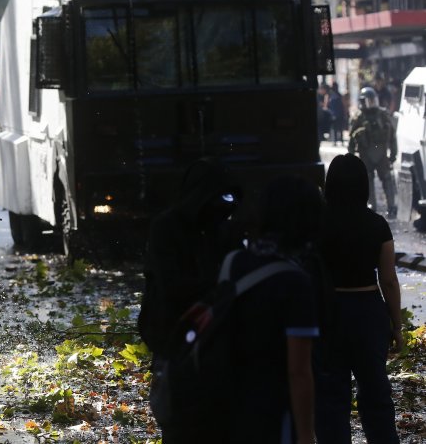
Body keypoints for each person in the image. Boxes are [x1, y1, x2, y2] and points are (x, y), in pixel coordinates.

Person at [138, 157, 242, 442]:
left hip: (215, 340)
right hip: (174, 336)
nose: (224, 207)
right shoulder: (167, 228)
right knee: (180, 422)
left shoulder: (223, 229)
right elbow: (170, 284)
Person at [227, 176, 321, 444]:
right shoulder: (296, 282)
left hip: (229, 406)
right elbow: (298, 370)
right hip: (272, 412)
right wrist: (306, 435)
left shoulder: (233, 263)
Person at [316, 154, 403, 444]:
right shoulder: (377, 225)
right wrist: (397, 325)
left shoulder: (317, 224)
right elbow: (388, 280)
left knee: (331, 395)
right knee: (375, 390)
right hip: (368, 311)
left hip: (329, 314)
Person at [348, 87, 398, 218]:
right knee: (368, 181)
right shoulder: (358, 117)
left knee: (387, 179)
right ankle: (371, 207)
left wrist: (393, 154)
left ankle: (392, 206)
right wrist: (351, 156)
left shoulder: (383, 114)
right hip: (365, 155)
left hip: (381, 154)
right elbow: (352, 138)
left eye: (372, 100)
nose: (371, 103)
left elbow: (392, 136)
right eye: (368, 100)